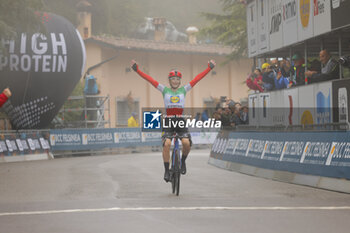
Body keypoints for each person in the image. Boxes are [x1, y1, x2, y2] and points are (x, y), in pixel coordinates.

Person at [131, 59, 216, 182]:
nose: (175, 81)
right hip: (168, 121)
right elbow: (150, 79)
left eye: (177, 79)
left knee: (186, 143)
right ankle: (166, 170)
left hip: (180, 121)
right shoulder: (164, 89)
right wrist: (137, 70)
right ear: (169, 81)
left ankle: (183, 162)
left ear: (179, 81)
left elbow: (197, 79)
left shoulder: (184, 89)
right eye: (173, 79)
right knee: (167, 144)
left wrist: (209, 68)